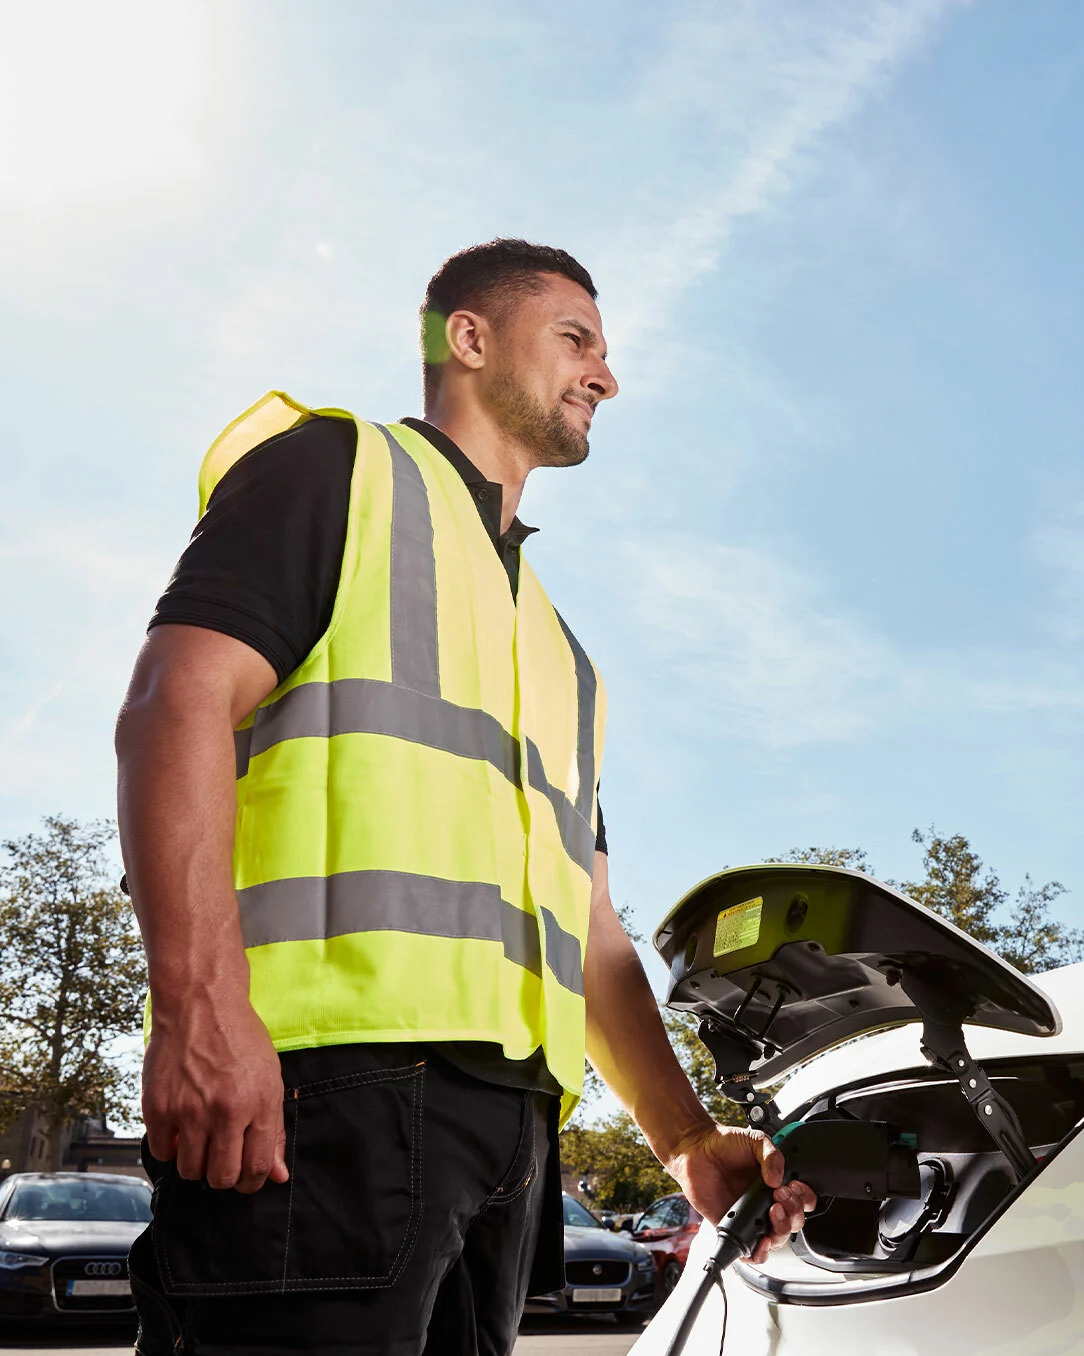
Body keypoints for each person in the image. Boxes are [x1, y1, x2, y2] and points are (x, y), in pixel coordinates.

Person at [114, 238, 814, 1355]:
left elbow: (588, 927)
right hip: (314, 1100)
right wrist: (198, 1012)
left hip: (506, 1137)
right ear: (469, 337)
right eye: (576, 338)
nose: (605, 376)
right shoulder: (337, 470)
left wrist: (684, 1142)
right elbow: (173, 705)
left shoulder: (562, 652)